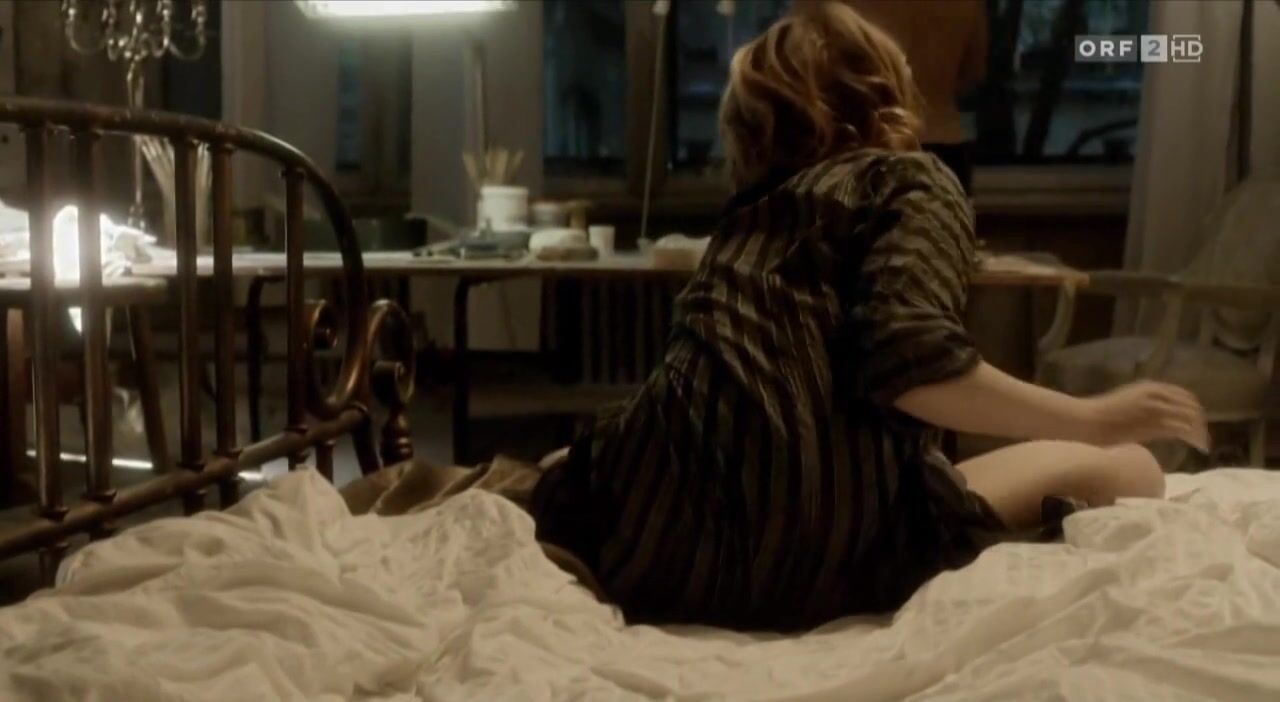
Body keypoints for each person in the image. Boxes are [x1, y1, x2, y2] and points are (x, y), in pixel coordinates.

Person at [526, 1, 1207, 632]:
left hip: (656, 557)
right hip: (823, 557)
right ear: (886, 98)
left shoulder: (750, 220)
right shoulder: (908, 180)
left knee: (571, 465)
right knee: (1133, 467)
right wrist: (1094, 418)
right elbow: (913, 363)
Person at [848, 0, 986, 192]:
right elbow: (973, 72)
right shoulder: (967, 5)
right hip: (945, 139)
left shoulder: (849, 6)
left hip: (879, 139)